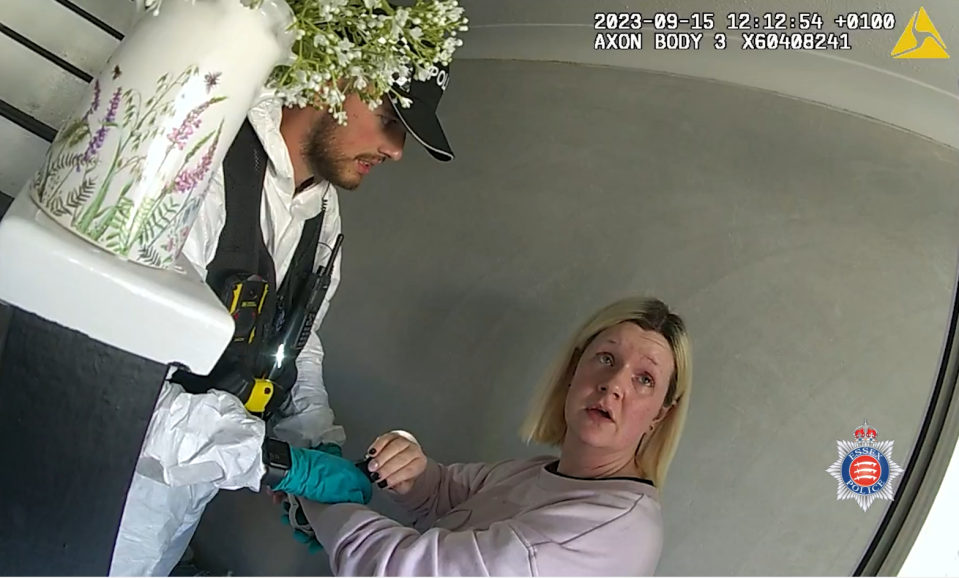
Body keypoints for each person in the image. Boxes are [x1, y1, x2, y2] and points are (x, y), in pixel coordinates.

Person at [108, 65, 458, 576]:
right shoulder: (202, 165)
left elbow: (298, 336)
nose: (397, 149)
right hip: (97, 486)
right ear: (328, 81)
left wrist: (315, 437)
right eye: (390, 118)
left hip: (184, 495)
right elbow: (122, 395)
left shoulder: (322, 213)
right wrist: (279, 464)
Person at [297, 296, 693, 576]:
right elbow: (449, 494)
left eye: (645, 379)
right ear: (574, 369)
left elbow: (402, 570)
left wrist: (316, 495)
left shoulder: (613, 528)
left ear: (660, 414)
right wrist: (410, 467)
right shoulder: (541, 473)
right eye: (606, 358)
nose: (614, 385)